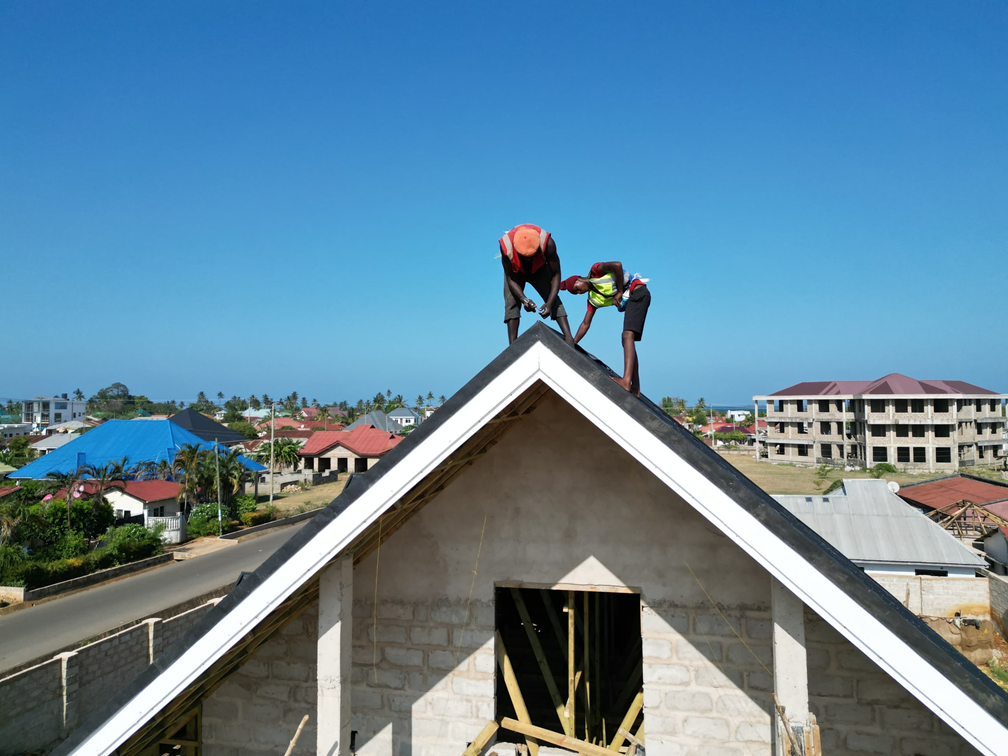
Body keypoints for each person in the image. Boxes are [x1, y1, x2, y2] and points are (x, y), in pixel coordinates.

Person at [560, 262, 651, 395]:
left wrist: (620, 292)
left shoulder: (596, 271)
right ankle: (635, 387)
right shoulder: (593, 299)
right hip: (633, 299)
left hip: (638, 292)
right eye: (576, 293)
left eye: (577, 289)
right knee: (627, 340)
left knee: (627, 336)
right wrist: (572, 343)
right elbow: (585, 324)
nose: (579, 293)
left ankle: (626, 381)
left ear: (579, 279)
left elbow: (617, 265)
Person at [499, 224, 575, 345]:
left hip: (539, 269)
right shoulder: (506, 246)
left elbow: (556, 275)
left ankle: (569, 338)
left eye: (531, 256)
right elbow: (510, 278)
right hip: (515, 273)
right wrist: (524, 299)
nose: (528, 260)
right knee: (511, 302)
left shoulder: (548, 244)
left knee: (552, 296)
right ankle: (512, 346)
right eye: (524, 257)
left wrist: (549, 303)